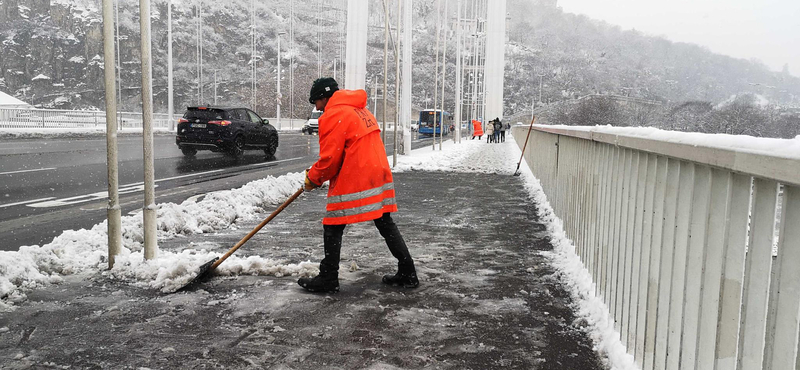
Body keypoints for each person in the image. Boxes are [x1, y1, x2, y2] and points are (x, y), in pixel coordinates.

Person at [298, 77, 419, 293]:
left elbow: (330, 160)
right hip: (378, 172)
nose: (316, 108)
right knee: (384, 221)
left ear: (323, 97)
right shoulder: (359, 109)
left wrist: (313, 178)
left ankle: (328, 277)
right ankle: (408, 270)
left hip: (358, 174)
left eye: (315, 102)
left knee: (333, 223)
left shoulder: (334, 114)